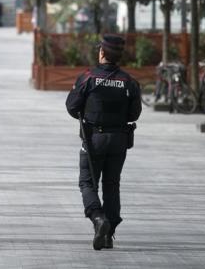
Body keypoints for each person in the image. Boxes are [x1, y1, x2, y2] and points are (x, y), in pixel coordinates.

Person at [65, 35, 141, 250]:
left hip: (93, 138)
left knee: (87, 182)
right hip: (118, 139)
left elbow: (71, 106)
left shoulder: (88, 77)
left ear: (102, 53)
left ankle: (98, 219)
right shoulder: (129, 81)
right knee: (112, 184)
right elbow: (134, 113)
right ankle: (109, 234)